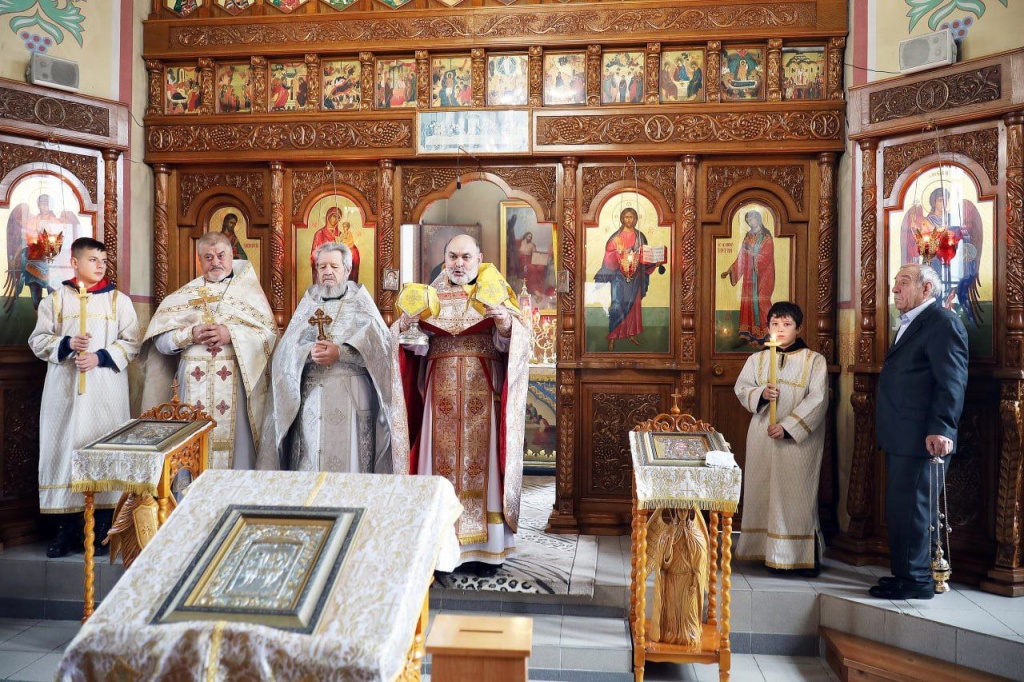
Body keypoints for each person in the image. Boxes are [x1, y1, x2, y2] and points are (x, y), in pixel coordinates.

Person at [391, 234, 530, 577]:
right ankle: (439, 548)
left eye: (466, 257)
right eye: (452, 256)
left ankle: (485, 551)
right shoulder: (430, 295)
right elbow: (413, 347)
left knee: (480, 467)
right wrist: (406, 326)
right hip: (439, 398)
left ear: (479, 259)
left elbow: (515, 342)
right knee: (437, 465)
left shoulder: (496, 293)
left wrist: (504, 324)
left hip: (481, 395)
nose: (458, 263)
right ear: (444, 259)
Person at [28, 238, 140, 557]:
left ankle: (102, 528)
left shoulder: (119, 301)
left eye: (103, 260)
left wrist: (99, 357)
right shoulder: (56, 300)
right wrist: (66, 344)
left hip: (106, 394)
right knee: (63, 451)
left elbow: (132, 342)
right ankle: (66, 530)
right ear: (75, 263)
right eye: (93, 260)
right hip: (64, 394)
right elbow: (38, 340)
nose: (100, 265)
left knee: (104, 451)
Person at [870, 263, 969, 600]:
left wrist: (941, 427)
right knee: (903, 508)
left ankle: (917, 580)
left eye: (903, 282)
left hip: (923, 438)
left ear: (927, 289)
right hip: (903, 435)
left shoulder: (942, 322)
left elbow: (951, 381)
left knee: (915, 508)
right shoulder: (912, 322)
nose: (894, 289)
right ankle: (905, 574)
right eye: (894, 282)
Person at [139, 232, 277, 470]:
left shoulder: (249, 294)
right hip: (192, 386)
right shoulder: (183, 296)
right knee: (190, 448)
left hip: (235, 385)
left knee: (239, 451)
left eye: (221, 256)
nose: (216, 262)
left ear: (232, 256)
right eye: (208, 257)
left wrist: (231, 334)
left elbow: (268, 337)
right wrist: (189, 335)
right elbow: (160, 343)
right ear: (199, 260)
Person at [258, 243, 397, 474]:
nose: (327, 272)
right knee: (311, 455)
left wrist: (341, 352)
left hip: (350, 394)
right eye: (322, 267)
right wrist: (307, 352)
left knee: (349, 462)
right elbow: (285, 351)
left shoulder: (361, 304)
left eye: (334, 266)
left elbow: (381, 351)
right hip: (311, 395)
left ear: (347, 269)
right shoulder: (309, 303)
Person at [734, 302, 828, 576]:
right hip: (762, 436)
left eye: (787, 324)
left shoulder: (814, 360)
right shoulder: (757, 360)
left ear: (799, 328)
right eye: (775, 324)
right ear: (767, 327)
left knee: (796, 495)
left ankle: (798, 557)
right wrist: (761, 394)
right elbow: (742, 389)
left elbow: (818, 399)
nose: (780, 329)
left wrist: (788, 427)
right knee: (762, 491)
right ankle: (765, 552)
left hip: (798, 442)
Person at [594, 207, 665, 351]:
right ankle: (613, 337)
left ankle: (630, 334)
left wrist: (655, 262)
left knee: (633, 307)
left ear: (636, 219)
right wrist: (619, 253)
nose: (629, 220)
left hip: (635, 277)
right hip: (619, 277)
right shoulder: (616, 237)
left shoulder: (640, 236)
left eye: (631, 217)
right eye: (626, 217)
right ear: (622, 218)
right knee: (617, 305)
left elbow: (645, 256)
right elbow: (609, 256)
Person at [722, 210, 775, 346]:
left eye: (752, 219)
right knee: (747, 302)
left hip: (763, 276)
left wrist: (752, 253)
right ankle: (746, 335)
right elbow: (741, 258)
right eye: (748, 221)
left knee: (762, 301)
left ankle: (768, 334)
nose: (751, 222)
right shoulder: (747, 237)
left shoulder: (766, 237)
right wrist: (730, 270)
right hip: (749, 278)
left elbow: (767, 256)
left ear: (759, 219)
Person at [310, 207, 360, 284]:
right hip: (324, 270)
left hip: (338, 272)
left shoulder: (341, 235)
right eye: (334, 216)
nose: (335, 219)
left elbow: (351, 250)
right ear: (328, 217)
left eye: (338, 218)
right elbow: (314, 254)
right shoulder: (320, 234)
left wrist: (352, 251)